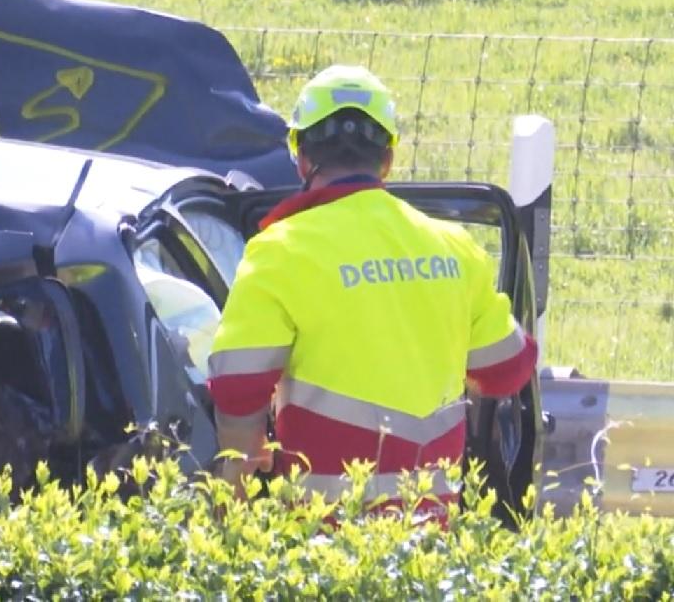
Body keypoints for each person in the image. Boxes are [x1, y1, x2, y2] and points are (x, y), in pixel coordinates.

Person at [206, 64, 538, 521]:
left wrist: (231, 510)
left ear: (301, 158)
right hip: (428, 548)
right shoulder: (453, 247)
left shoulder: (280, 252)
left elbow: (237, 392)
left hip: (319, 544)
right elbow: (506, 369)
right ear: (387, 159)